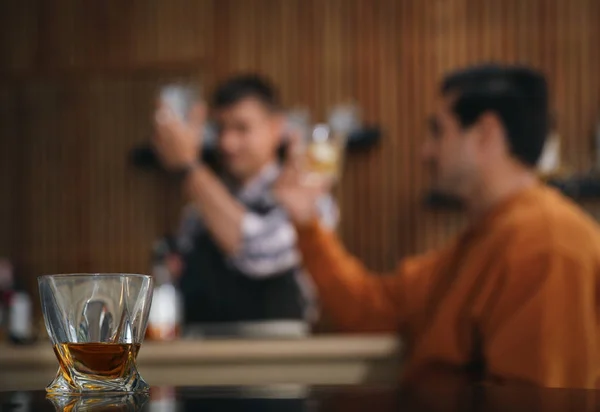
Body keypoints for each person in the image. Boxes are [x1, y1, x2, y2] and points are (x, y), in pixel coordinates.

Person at [274, 64, 600, 388]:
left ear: (486, 134)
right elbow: (368, 310)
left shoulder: (548, 246)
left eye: (438, 131)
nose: (425, 152)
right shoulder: (481, 241)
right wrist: (306, 223)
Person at [152, 74, 338, 325]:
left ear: (276, 127)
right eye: (221, 129)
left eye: (242, 128)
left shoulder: (307, 198)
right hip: (202, 347)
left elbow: (258, 253)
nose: (227, 143)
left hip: (278, 350)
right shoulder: (198, 210)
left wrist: (189, 167)